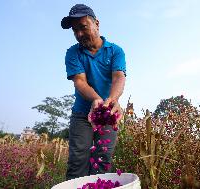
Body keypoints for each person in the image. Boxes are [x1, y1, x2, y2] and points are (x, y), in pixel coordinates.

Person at [61, 4, 126, 180]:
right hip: (82, 114)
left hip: (108, 114)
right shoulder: (73, 53)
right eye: (75, 30)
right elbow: (80, 82)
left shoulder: (115, 51)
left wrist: (110, 101)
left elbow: (119, 77)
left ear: (96, 23)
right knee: (78, 161)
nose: (79, 34)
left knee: (102, 159)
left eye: (83, 27)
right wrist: (97, 100)